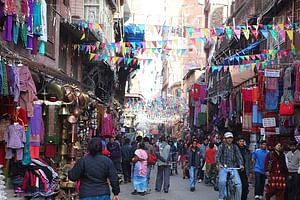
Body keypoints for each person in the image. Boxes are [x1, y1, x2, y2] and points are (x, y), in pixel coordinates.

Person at [216, 132, 244, 200]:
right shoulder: (221, 146)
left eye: (231, 138)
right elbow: (217, 157)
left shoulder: (235, 147)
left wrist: (241, 164)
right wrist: (219, 164)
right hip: (223, 168)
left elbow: (239, 157)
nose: (229, 139)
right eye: (228, 138)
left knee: (238, 185)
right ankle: (221, 197)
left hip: (233, 168)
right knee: (222, 182)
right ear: (225, 139)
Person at [237, 136, 251, 200]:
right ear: (238, 142)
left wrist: (250, 170)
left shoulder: (247, 150)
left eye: (243, 141)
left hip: (245, 170)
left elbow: (249, 161)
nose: (242, 143)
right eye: (240, 141)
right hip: (236, 170)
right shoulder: (235, 149)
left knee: (245, 185)